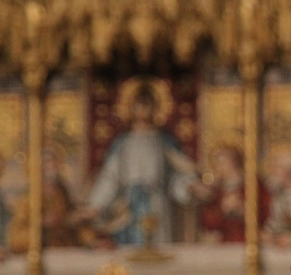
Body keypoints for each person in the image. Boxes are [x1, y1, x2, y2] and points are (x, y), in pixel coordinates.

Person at [77, 83, 203, 246]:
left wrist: (189, 187)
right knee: (129, 249)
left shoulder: (163, 141)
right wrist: (95, 205)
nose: (143, 110)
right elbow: (110, 177)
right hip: (128, 204)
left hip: (157, 202)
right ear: (131, 108)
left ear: (156, 108)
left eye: (148, 105)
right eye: (138, 105)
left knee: (158, 246)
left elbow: (177, 174)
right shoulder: (123, 142)